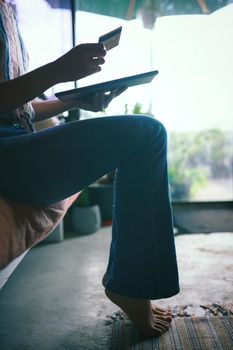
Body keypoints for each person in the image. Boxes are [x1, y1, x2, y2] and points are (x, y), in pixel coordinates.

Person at [0, 0, 179, 337]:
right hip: (6, 153)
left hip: (16, 143)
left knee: (145, 133)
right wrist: (56, 70)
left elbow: (18, 108)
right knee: (147, 134)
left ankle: (131, 282)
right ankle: (131, 284)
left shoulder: (8, 12)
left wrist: (75, 101)